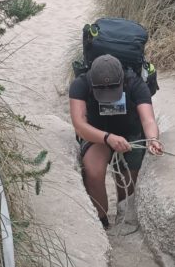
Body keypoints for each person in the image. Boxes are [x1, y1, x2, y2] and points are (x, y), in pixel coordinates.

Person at [69, 53, 163, 232]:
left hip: (130, 133)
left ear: (122, 81)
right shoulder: (80, 84)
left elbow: (148, 120)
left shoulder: (135, 83)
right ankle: (102, 221)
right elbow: (80, 125)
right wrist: (107, 138)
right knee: (94, 172)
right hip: (97, 135)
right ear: (92, 83)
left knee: (127, 179)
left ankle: (123, 213)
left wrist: (152, 139)